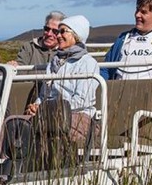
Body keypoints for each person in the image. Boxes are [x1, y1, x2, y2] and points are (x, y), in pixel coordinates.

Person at [25, 15, 100, 143]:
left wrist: (50, 110)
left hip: (77, 116)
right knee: (15, 125)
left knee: (53, 132)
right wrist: (36, 106)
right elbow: (43, 94)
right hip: (49, 114)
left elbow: (82, 100)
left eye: (62, 31)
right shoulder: (54, 61)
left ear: (76, 35)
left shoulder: (87, 63)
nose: (58, 35)